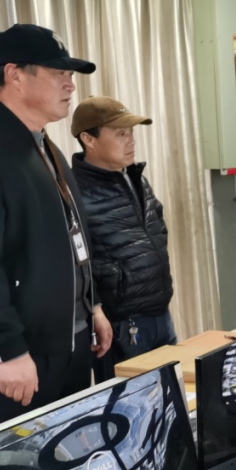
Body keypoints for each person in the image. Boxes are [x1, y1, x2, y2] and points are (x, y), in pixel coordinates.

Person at [0, 24, 112, 428]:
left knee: (71, 456)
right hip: (17, 357)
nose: (70, 85)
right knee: (22, 466)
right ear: (14, 74)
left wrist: (93, 305)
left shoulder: (45, 148)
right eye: (59, 73)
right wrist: (8, 349)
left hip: (68, 344)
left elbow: (71, 238)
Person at [71, 96, 174, 383]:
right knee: (131, 405)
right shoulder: (74, 191)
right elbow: (75, 262)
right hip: (120, 327)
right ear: (88, 139)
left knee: (173, 395)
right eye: (120, 134)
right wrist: (95, 309)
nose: (131, 141)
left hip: (160, 313)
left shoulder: (134, 177)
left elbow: (158, 232)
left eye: (131, 133)